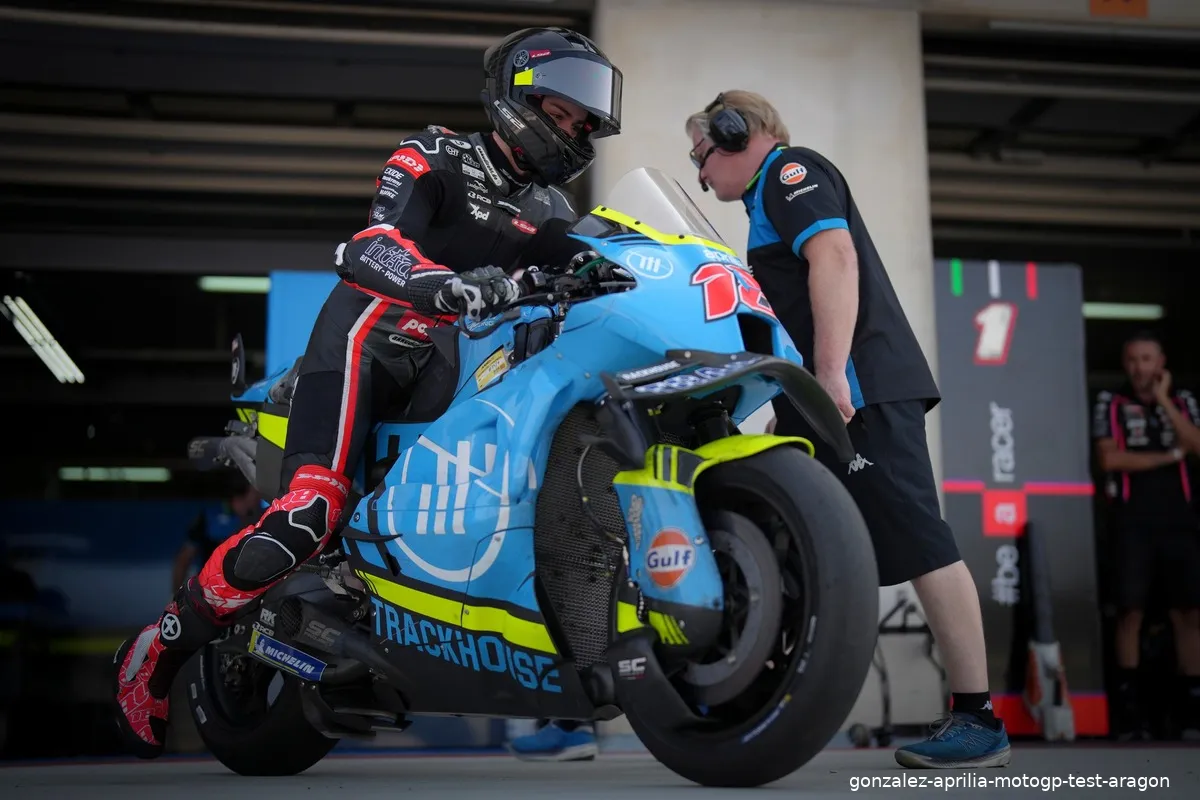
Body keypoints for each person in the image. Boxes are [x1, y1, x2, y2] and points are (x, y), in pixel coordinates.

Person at [113, 26, 623, 759]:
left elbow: (596, 266)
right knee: (313, 510)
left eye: (584, 123)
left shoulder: (548, 208)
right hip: (367, 341)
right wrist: (443, 285)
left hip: (451, 365)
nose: (573, 130)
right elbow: (369, 246)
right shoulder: (438, 154)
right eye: (563, 111)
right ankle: (156, 651)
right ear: (518, 96)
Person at [681, 90, 1009, 769]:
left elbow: (833, 257)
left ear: (735, 132)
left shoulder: (791, 173)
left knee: (920, 539)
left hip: (861, 392)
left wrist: (830, 378)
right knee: (793, 541)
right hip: (828, 397)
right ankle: (760, 697)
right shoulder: (765, 201)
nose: (700, 173)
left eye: (702, 154)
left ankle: (978, 718)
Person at [1093, 331, 1200, 740]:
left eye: (1148, 359)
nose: (1141, 368)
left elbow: (1197, 444)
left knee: (1189, 614)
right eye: (1134, 359)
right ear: (1126, 363)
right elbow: (1110, 458)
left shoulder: (1184, 402)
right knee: (1130, 613)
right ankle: (1130, 714)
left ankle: (1191, 712)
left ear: (1161, 363)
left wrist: (1168, 403)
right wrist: (1171, 456)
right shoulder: (1111, 402)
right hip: (1131, 523)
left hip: (1181, 521)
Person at [171, 479, 261, 592]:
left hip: (247, 591)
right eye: (255, 491)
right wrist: (175, 596)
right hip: (210, 591)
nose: (259, 495)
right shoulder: (209, 517)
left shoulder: (260, 518)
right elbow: (183, 559)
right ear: (241, 496)